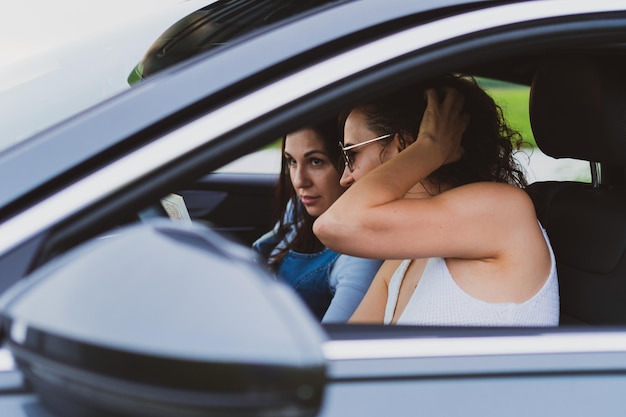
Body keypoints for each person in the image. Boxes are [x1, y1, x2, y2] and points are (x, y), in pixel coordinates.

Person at [313, 74, 559, 327]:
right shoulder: (405, 257)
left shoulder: (502, 212)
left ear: (403, 144)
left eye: (351, 154)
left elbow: (333, 225)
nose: (344, 178)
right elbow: (349, 354)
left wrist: (428, 147)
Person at [253, 119, 382, 323]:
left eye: (316, 162)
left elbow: (330, 341)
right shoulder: (299, 209)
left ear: (348, 163)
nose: (298, 181)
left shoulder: (359, 257)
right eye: (291, 161)